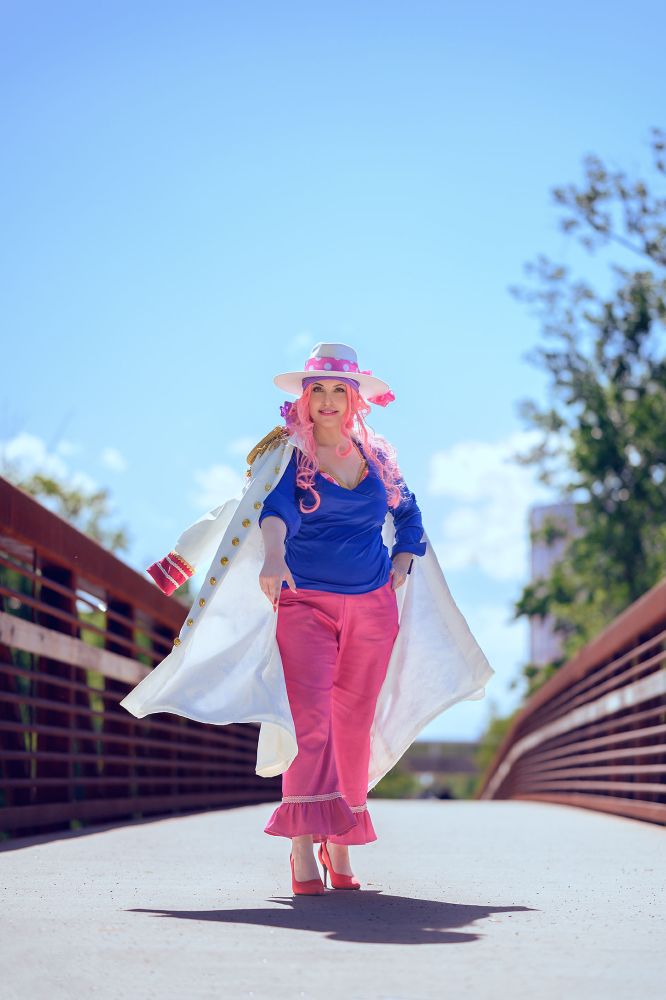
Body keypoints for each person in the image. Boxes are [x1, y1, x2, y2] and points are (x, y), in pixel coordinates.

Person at [258, 342, 427, 894]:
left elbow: (408, 511)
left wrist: (404, 554)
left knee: (352, 727)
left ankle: (340, 840)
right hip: (304, 602)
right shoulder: (292, 456)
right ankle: (301, 844)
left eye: (339, 390)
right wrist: (273, 556)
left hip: (373, 608)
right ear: (305, 399)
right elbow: (275, 511)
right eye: (319, 390)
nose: (328, 400)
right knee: (310, 722)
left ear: (355, 399)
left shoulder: (377, 457)